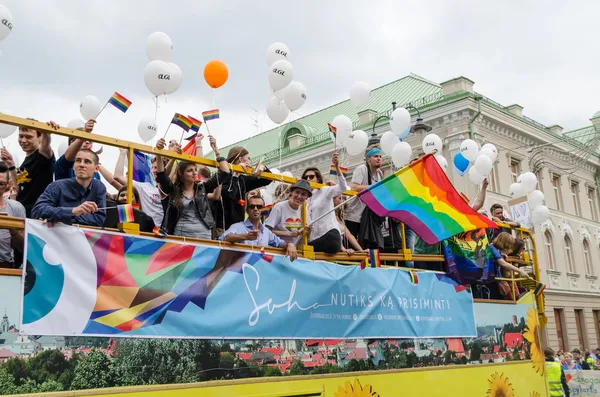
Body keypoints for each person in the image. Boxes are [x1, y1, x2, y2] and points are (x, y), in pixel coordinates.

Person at [154, 138, 231, 238]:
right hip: (182, 238)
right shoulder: (174, 190)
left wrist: (216, 150)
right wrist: (158, 151)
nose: (194, 172)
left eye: (195, 169)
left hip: (205, 236)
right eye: (189, 170)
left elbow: (225, 172)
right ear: (180, 173)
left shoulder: (203, 188)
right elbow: (161, 175)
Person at [31, 149, 106, 226]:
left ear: (96, 168)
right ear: (73, 166)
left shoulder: (99, 187)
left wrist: (62, 217)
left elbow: (99, 219)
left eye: (87, 162)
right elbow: (37, 210)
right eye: (78, 161)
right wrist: (73, 211)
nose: (82, 165)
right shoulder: (56, 186)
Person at [0, 120, 58, 217]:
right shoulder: (26, 161)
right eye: (21, 136)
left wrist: (46, 133)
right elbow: (18, 187)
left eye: (28, 137)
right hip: (21, 213)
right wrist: (11, 164)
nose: (23, 140)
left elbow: (45, 146)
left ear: (40, 137)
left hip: (36, 216)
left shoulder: (42, 156)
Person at [213, 146, 271, 237]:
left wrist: (263, 168)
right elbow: (230, 195)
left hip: (239, 229)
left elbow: (267, 180)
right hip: (223, 229)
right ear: (240, 159)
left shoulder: (242, 179)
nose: (250, 161)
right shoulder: (223, 176)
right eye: (248, 158)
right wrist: (236, 174)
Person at [220, 195, 297, 261]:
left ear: (263, 210)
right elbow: (224, 238)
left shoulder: (266, 231)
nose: (255, 209)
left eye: (259, 207)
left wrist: (290, 244)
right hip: (240, 271)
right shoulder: (237, 226)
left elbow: (280, 243)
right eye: (252, 206)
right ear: (247, 210)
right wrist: (245, 236)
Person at [301, 152, 347, 254]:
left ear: (318, 179)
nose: (308, 179)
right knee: (303, 249)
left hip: (330, 236)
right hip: (315, 240)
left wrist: (337, 167)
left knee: (301, 249)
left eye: (311, 176)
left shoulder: (325, 190)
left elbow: (343, 187)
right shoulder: (306, 200)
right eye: (305, 178)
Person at [113, 149, 164, 227]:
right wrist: (122, 153)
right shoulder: (144, 187)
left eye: (157, 167)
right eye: (153, 168)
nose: (154, 170)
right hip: (147, 231)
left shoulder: (172, 189)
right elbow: (117, 176)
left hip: (166, 233)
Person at [346, 145, 384, 238]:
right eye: (375, 156)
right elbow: (354, 187)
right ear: (368, 159)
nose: (379, 159)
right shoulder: (361, 169)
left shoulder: (379, 173)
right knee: (354, 245)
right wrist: (372, 187)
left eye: (380, 156)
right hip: (354, 215)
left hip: (369, 217)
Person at [265, 179, 312, 244]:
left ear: (307, 198)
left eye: (303, 194)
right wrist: (289, 234)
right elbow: (266, 230)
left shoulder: (304, 210)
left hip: (294, 250)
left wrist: (308, 232)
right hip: (278, 249)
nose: (299, 196)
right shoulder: (279, 207)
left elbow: (307, 236)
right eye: (297, 192)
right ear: (291, 192)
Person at [0, 162, 25, 268]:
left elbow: (25, 247)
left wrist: (12, 229)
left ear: (7, 186)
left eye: (0, 183)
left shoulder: (16, 208)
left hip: (5, 268)